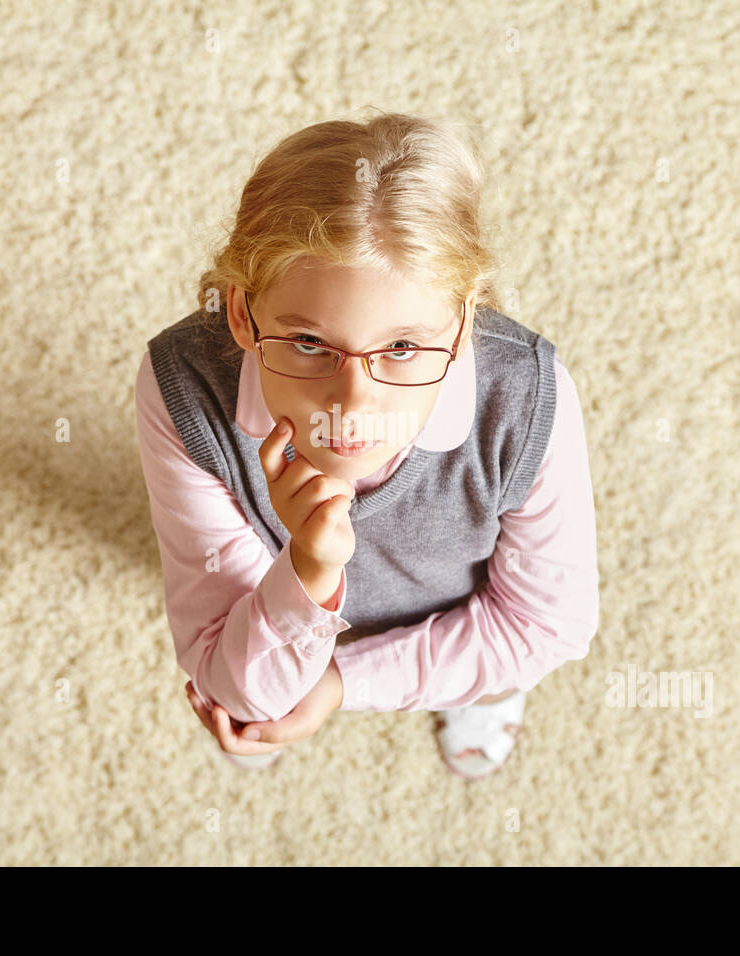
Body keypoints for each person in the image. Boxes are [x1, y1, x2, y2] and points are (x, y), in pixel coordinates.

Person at [134, 110, 599, 779]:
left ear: (465, 320)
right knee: (258, 705)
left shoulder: (526, 398)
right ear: (242, 314)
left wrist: (339, 684)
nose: (352, 405)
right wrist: (309, 569)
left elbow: (544, 625)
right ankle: (297, 656)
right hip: (274, 598)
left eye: (403, 347)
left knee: (494, 671)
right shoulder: (183, 388)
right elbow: (231, 685)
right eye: (307, 342)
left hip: (462, 616)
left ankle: (462, 694)